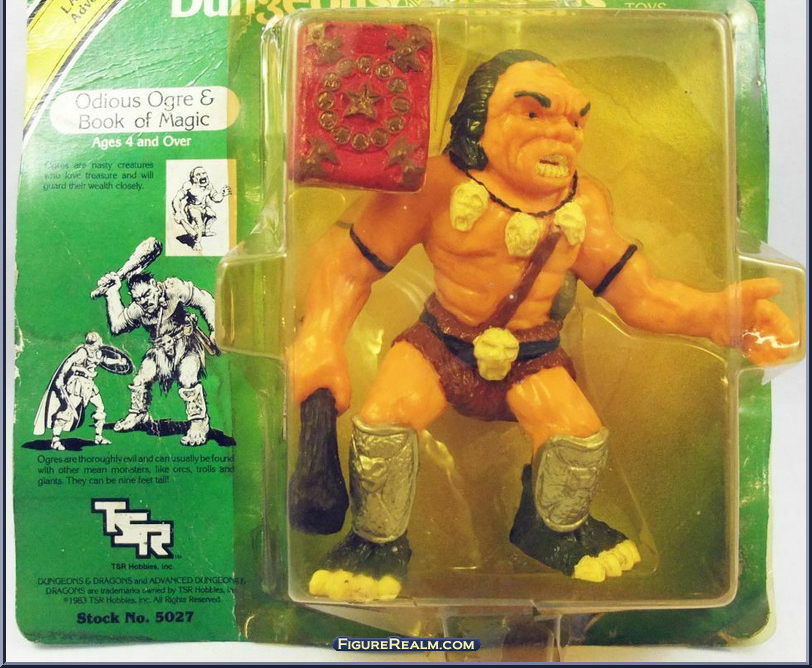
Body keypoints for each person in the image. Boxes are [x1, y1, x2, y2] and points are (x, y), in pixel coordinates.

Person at [289, 51, 796, 601]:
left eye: (575, 120)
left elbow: (638, 294)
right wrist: (320, 335)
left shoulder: (583, 204)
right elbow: (348, 265)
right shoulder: (436, 185)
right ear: (478, 122)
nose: (562, 133)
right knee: (383, 419)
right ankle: (374, 543)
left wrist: (718, 315)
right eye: (533, 114)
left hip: (533, 355)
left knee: (577, 437)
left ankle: (551, 529)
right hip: (441, 344)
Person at [97, 270, 217, 446]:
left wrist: (215, 328)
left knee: (188, 376)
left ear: (154, 285)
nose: (144, 301)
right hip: (161, 351)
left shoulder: (174, 289)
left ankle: (199, 421)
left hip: (187, 346)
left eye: (147, 294)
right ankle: (139, 414)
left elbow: (205, 301)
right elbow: (116, 325)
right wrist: (112, 293)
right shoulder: (139, 308)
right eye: (138, 299)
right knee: (142, 377)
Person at [34, 332, 132, 450]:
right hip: (78, 384)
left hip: (90, 385)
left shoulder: (97, 353)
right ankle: (55, 440)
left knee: (100, 408)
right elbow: (69, 362)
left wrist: (118, 362)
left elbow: (105, 360)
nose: (100, 343)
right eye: (98, 342)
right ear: (92, 343)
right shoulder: (83, 352)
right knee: (67, 411)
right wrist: (61, 376)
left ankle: (98, 437)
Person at [172, 167, 231, 252]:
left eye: (204, 173)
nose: (202, 176)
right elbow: (177, 198)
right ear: (193, 178)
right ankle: (196, 242)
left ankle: (205, 231)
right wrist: (177, 211)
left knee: (212, 216)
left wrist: (222, 194)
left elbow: (215, 198)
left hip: (203, 206)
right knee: (200, 224)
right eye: (198, 174)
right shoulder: (189, 185)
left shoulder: (209, 185)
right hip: (192, 207)